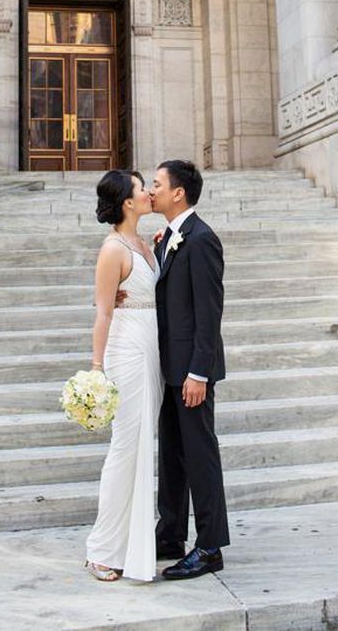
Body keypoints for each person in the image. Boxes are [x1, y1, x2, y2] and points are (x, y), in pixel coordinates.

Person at [151, 160, 230, 579]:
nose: (151, 190)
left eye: (158, 184)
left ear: (178, 192)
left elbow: (208, 312)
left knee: (200, 456)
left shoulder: (201, 240)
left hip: (191, 372)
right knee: (173, 455)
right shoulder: (169, 237)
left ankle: (211, 545)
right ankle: (170, 535)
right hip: (168, 369)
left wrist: (199, 372)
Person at [84, 170, 163, 583]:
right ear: (128, 203)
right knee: (125, 447)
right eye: (141, 188)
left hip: (152, 348)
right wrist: (97, 368)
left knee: (141, 447)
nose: (149, 192)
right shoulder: (113, 249)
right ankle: (102, 548)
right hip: (126, 348)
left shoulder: (147, 244)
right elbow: (103, 311)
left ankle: (132, 545)